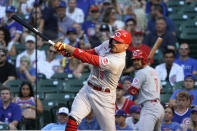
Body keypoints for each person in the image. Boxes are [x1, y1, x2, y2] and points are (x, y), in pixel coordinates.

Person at [54, 29, 132, 131]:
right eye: (114, 40)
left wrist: (67, 47)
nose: (114, 43)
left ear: (126, 46)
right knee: (73, 118)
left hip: (104, 96)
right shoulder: (106, 45)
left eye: (118, 42)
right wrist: (70, 53)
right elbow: (91, 53)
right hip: (88, 88)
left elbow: (90, 59)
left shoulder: (118, 62)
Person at [127, 49, 164, 131]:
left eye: (138, 59)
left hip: (149, 108)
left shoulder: (141, 72)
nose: (135, 62)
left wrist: (128, 87)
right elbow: (161, 90)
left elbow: (133, 92)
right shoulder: (154, 71)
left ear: (143, 59)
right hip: (159, 108)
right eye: (134, 60)